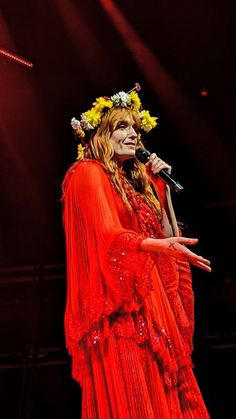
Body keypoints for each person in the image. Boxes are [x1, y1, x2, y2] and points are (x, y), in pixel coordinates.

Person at [62, 84, 211, 418]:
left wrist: (163, 190)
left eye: (135, 128)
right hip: (121, 314)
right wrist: (155, 245)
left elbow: (168, 237)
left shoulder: (136, 184)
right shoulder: (86, 173)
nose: (134, 135)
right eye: (122, 127)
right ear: (101, 134)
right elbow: (106, 235)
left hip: (151, 308)